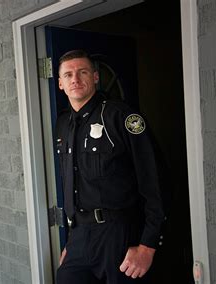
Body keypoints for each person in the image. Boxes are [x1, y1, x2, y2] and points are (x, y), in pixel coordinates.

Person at [55, 50, 165, 283]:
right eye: (68, 74)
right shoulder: (63, 124)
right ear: (61, 84)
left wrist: (148, 246)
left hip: (119, 235)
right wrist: (72, 243)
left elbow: (155, 181)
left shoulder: (121, 116)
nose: (75, 79)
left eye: (82, 72)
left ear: (95, 77)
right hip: (79, 237)